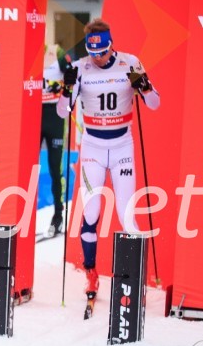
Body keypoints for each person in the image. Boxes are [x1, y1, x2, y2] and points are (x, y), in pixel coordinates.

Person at [56, 18, 160, 306]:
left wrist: (146, 87)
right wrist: (66, 90)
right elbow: (63, 113)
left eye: (101, 52)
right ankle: (91, 272)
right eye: (92, 53)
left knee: (128, 215)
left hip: (122, 145)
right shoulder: (79, 68)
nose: (98, 58)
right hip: (92, 146)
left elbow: (154, 104)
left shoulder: (129, 63)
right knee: (90, 213)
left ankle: (132, 278)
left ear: (110, 45)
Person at [41, 51, 67, 238]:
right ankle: (21, 215)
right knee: (27, 169)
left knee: (54, 169)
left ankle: (58, 215)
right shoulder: (23, 53)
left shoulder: (56, 55)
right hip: (33, 113)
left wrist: (60, 86)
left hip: (55, 116)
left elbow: (75, 81)